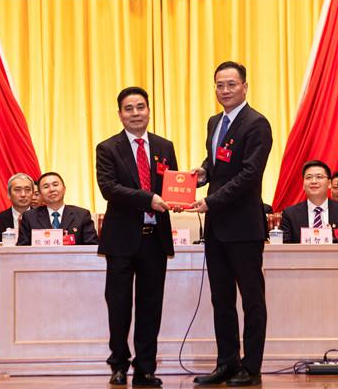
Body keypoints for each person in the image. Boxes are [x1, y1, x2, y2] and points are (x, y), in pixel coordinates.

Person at [190, 61, 272, 386]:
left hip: (244, 227)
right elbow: (217, 162)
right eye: (219, 85)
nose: (224, 91)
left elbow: (249, 175)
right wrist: (202, 173)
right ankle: (227, 362)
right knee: (221, 299)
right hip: (216, 228)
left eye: (231, 84)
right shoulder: (215, 122)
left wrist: (211, 201)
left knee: (252, 299)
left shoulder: (257, 124)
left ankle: (251, 367)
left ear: (244, 87)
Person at [96, 86, 178, 387]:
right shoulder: (107, 148)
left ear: (149, 110)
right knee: (119, 305)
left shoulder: (165, 146)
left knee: (150, 305)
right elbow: (109, 189)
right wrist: (148, 199)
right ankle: (118, 364)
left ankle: (145, 368)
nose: (135, 113)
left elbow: (172, 185)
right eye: (128, 109)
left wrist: (183, 192)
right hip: (121, 240)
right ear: (120, 114)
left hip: (154, 238)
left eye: (140, 107)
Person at [280, 160, 338, 244]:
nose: (314, 181)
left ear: (329, 183)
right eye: (308, 177)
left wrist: (329, 238)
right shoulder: (290, 214)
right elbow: (284, 246)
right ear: (303, 185)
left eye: (319, 177)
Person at [16, 172, 99, 246]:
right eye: (46, 186)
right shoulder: (29, 217)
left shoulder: (82, 215)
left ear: (64, 189)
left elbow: (93, 247)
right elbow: (22, 250)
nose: (52, 189)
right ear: (40, 194)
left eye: (55, 185)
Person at [0, 173, 34, 242]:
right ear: (9, 194)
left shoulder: (43, 218)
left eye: (27, 189)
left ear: (33, 193)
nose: (23, 194)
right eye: (17, 190)